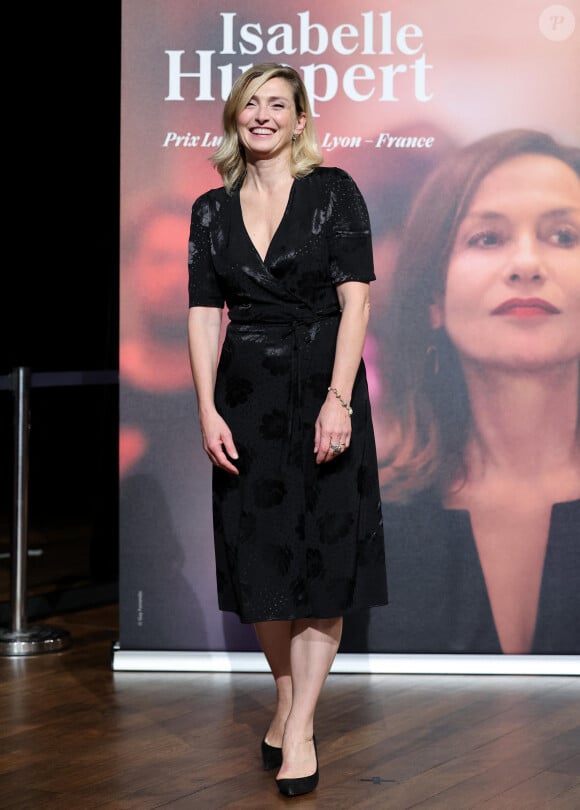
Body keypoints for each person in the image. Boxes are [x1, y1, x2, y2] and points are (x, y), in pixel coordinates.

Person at [187, 63, 387, 796]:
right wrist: (206, 406)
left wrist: (339, 400)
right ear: (235, 117)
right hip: (244, 398)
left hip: (321, 394)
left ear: (301, 120)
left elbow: (356, 302)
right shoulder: (210, 209)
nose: (264, 115)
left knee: (321, 562)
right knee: (261, 561)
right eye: (252, 104)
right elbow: (205, 314)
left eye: (279, 105)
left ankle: (301, 725)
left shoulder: (333, 191)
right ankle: (285, 696)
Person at [343, 128, 580, 656]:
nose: (527, 264)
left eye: (564, 236)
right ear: (433, 298)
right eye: (487, 238)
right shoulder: (364, 518)